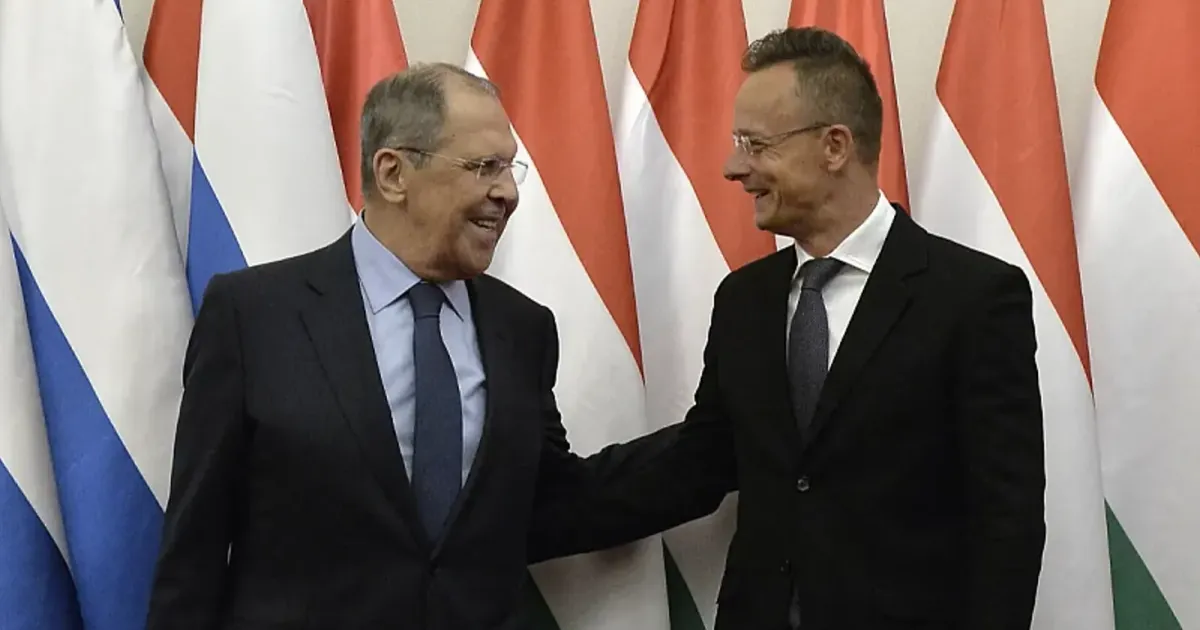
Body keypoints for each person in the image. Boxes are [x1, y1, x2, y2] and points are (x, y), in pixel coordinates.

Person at [531, 27, 1047, 630]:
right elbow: (700, 461)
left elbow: (1007, 516)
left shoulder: (973, 297)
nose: (734, 168)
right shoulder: (745, 301)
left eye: (755, 144)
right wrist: (519, 515)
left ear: (834, 146)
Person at [145, 63, 615, 629]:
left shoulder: (523, 329)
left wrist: (707, 445)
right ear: (393, 173)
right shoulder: (254, 316)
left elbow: (556, 503)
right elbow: (194, 548)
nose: (508, 193)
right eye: (483, 167)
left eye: (509, 168)